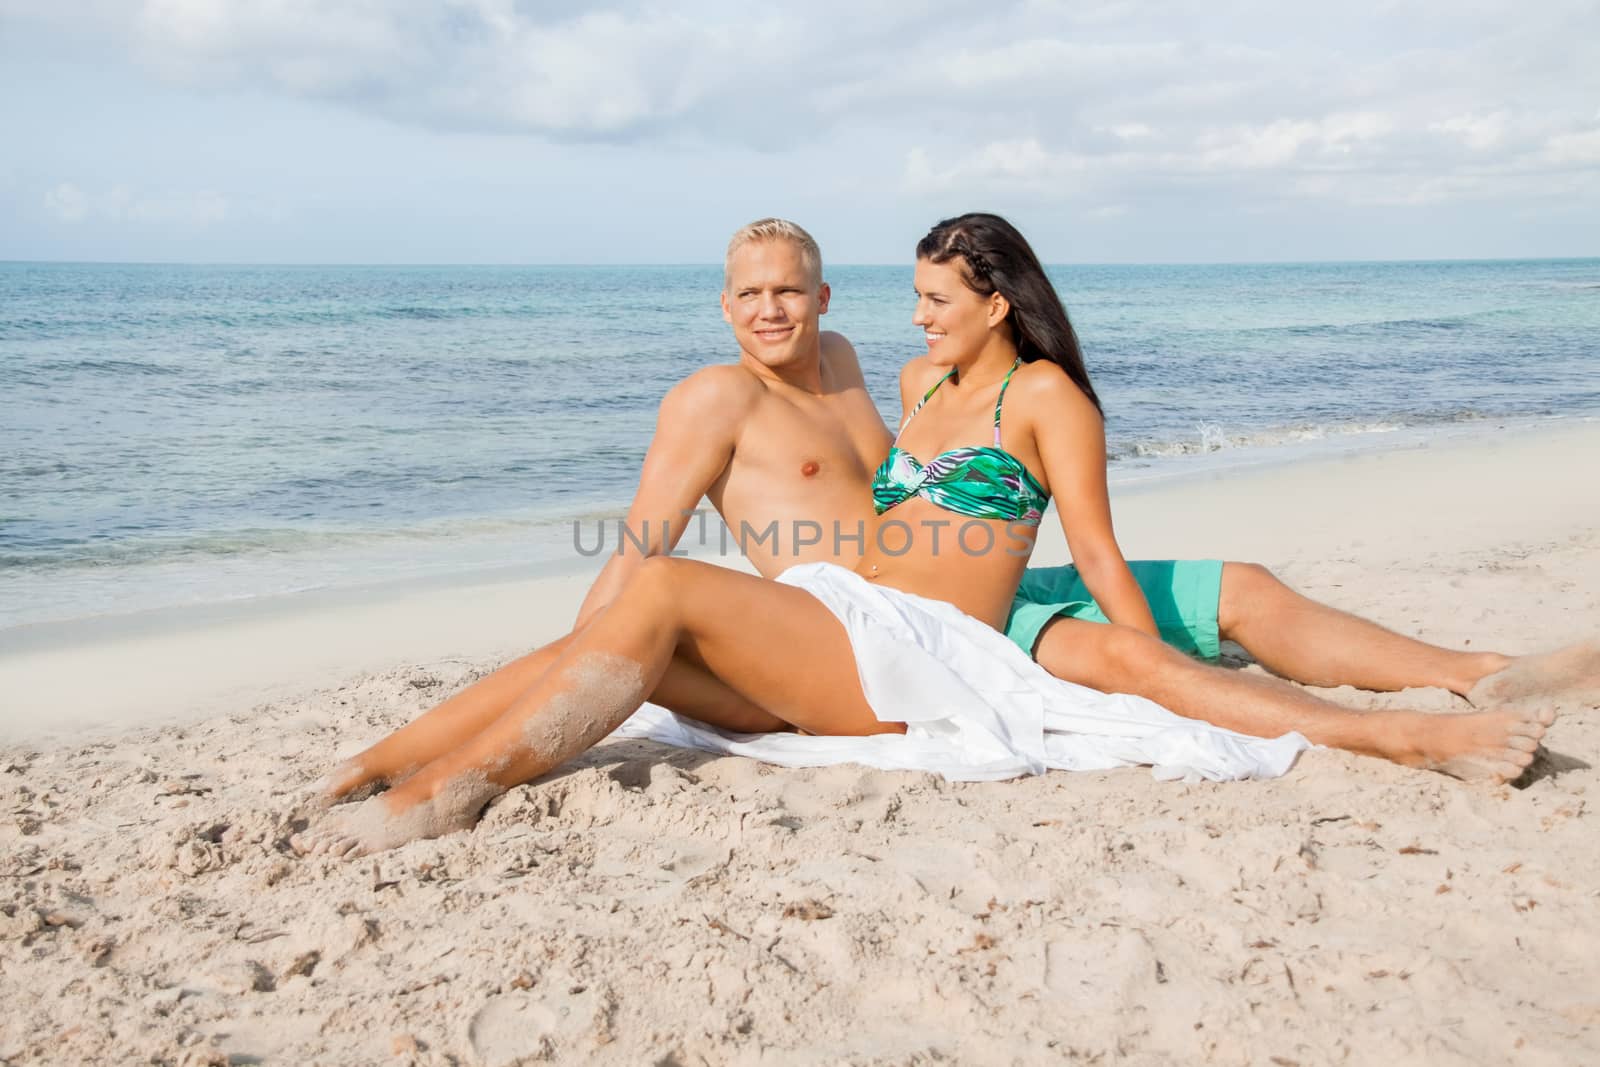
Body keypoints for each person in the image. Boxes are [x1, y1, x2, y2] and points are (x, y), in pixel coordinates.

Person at [296, 216, 1566, 858]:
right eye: (747, 293)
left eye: (790, 288)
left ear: (822, 297)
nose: (770, 309)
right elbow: (639, 544)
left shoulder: (883, 368)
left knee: (1224, 594)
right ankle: (393, 768)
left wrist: (1148, 666)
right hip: (868, 627)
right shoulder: (826, 380)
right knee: (641, 609)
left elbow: (1067, 535)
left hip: (931, 624)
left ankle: (1461, 674)